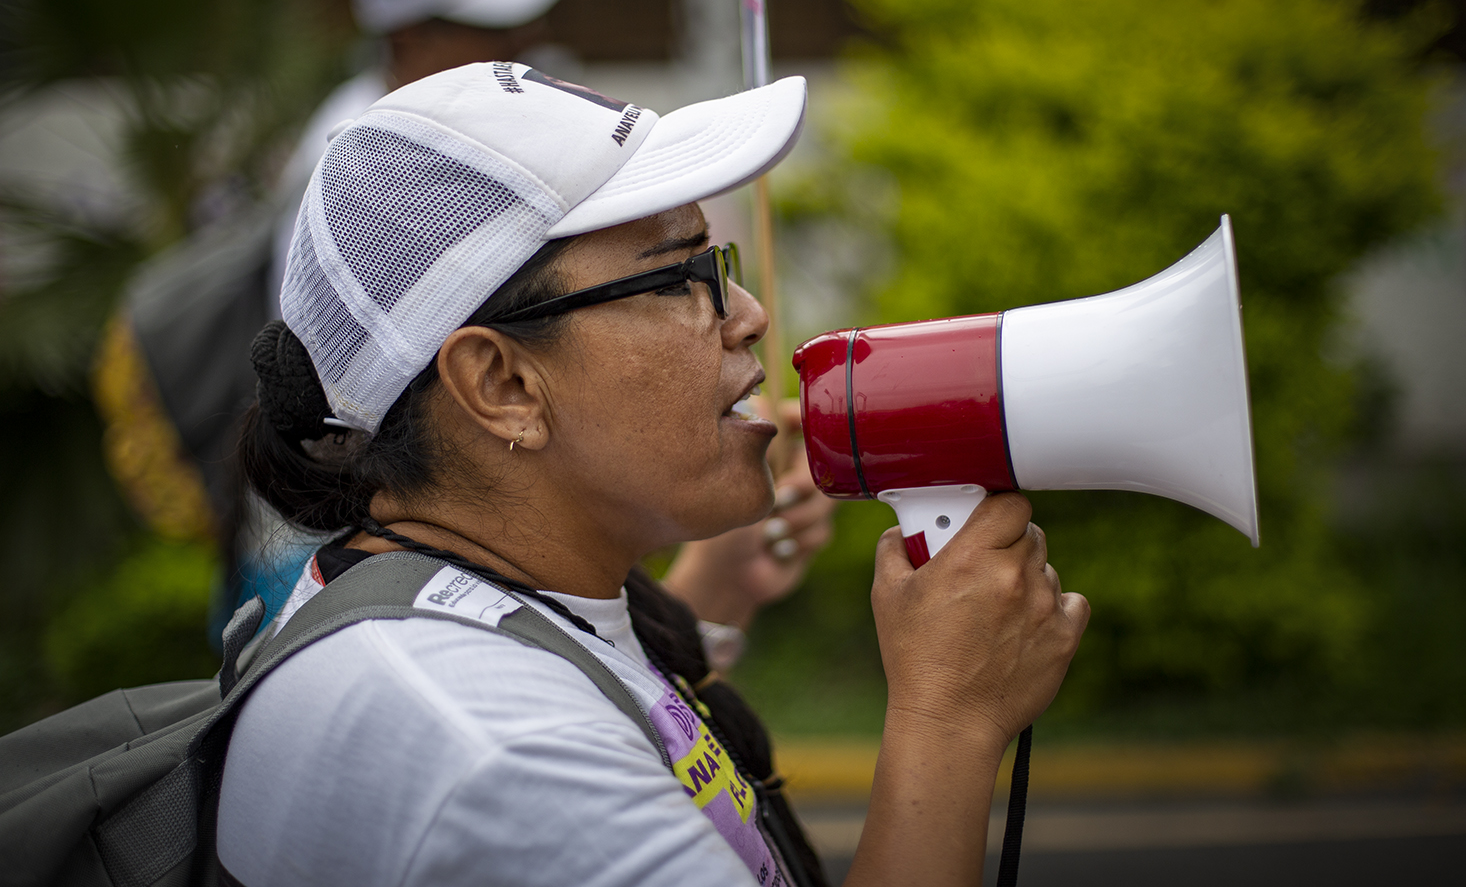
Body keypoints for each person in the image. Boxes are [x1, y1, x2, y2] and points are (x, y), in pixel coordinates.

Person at [216, 61, 1089, 885]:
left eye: (717, 267)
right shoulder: (499, 754)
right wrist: (949, 721)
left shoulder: (473, 610)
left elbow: (611, 704)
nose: (747, 317)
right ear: (504, 385)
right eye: (677, 280)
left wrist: (706, 600)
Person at [96, 0, 833, 648]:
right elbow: (369, 382)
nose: (525, 45)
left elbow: (634, 721)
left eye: (528, 22)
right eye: (491, 28)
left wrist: (709, 600)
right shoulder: (365, 166)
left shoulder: (507, 114)